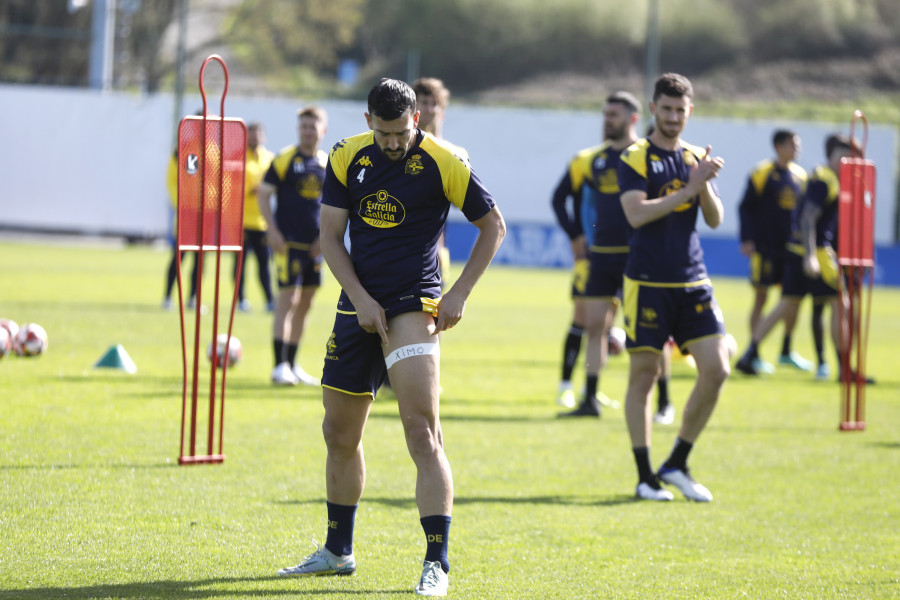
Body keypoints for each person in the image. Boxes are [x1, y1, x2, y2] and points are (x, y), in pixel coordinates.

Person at [276, 78, 505, 597]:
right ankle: (338, 551)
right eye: (385, 134)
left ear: (416, 121)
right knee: (338, 433)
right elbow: (330, 238)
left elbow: (493, 226)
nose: (395, 143)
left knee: (422, 431)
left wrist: (459, 294)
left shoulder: (445, 160)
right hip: (359, 302)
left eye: (402, 132)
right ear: (367, 124)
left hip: (414, 303)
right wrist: (357, 297)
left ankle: (436, 563)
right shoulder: (344, 157)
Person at [618, 73, 730, 502]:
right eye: (665, 109)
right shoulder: (635, 156)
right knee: (644, 376)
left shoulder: (695, 155)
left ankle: (678, 461)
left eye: (680, 110)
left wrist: (701, 185)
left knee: (717, 369)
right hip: (646, 283)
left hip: (693, 280)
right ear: (653, 109)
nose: (672, 117)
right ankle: (646, 476)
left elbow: (715, 218)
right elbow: (636, 215)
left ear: (690, 112)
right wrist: (690, 187)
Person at [551, 95, 672, 418]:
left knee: (652, 330)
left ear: (633, 119)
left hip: (640, 256)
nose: (607, 120)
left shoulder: (647, 157)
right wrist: (576, 234)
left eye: (614, 115)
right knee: (594, 328)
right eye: (605, 114)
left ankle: (664, 403)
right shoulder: (591, 160)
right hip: (601, 258)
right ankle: (589, 398)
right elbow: (559, 198)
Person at [736, 134, 864, 383]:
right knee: (841, 305)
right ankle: (844, 368)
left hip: (797, 251)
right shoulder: (825, 180)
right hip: (815, 253)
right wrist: (810, 257)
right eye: (842, 156)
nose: (846, 161)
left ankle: (749, 354)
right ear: (832, 156)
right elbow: (807, 219)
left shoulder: (814, 175)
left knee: (786, 305)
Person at [258, 107, 328, 386]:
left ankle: (293, 363)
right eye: (303, 126)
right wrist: (272, 231)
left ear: (323, 130)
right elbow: (264, 195)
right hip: (288, 244)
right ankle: (279, 366)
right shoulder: (284, 159)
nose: (307, 131)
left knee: (306, 303)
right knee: (288, 301)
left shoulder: (326, 163)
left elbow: (332, 205)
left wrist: (325, 238)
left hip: (315, 246)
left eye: (313, 126)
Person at [737, 130, 812, 374]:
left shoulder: (801, 176)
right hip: (764, 249)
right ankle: (754, 353)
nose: (797, 149)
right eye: (793, 144)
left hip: (791, 248)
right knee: (761, 298)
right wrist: (747, 239)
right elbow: (745, 207)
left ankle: (786, 351)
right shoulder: (762, 173)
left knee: (793, 300)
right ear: (779, 147)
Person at [233, 122, 275, 313]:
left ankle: (269, 300)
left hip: (262, 221)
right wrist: (250, 189)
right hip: (241, 221)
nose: (254, 137)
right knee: (240, 265)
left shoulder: (269, 158)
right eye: (251, 134)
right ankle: (241, 300)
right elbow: (230, 185)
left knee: (264, 264)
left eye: (257, 134)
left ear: (263, 136)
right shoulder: (237, 158)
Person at [162, 147, 201, 311]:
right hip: (186, 215)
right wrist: (183, 204)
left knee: (200, 261)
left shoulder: (214, 150)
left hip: (204, 215)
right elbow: (171, 181)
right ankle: (168, 297)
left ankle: (193, 298)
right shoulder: (182, 150)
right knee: (179, 257)